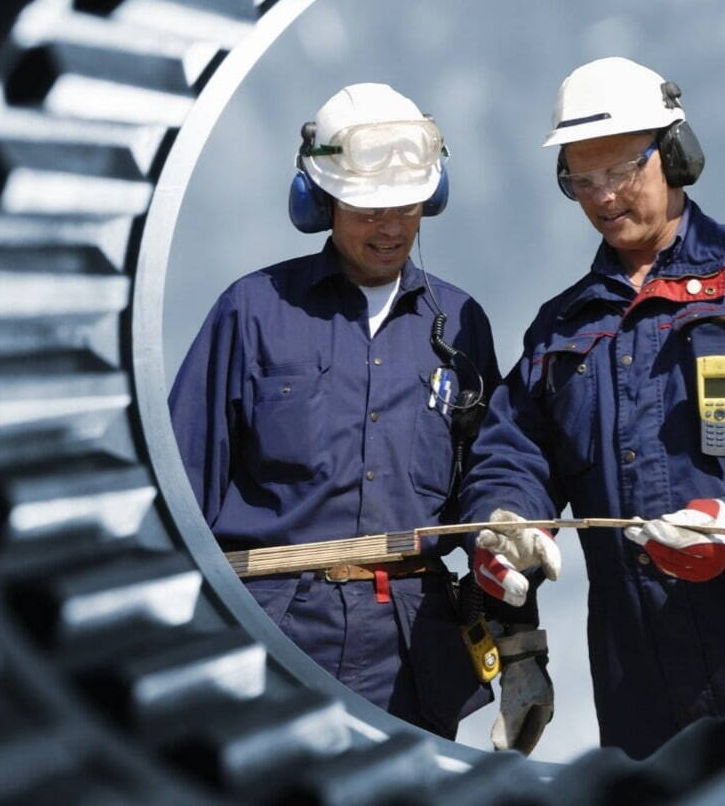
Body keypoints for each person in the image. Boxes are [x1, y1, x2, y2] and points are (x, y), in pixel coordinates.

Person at [460, 56, 725, 759]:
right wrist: (504, 524)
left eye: (619, 171)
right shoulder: (559, 330)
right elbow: (514, 453)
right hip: (643, 686)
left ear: (676, 155)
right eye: (580, 179)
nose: (601, 197)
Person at [170, 82, 517, 742]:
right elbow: (179, 491)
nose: (390, 227)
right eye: (367, 209)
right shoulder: (251, 312)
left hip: (415, 654)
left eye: (406, 205)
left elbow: (490, 485)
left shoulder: (463, 324)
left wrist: (523, 646)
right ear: (320, 201)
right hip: (271, 639)